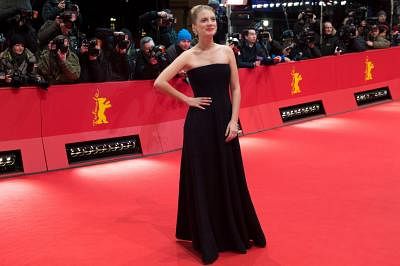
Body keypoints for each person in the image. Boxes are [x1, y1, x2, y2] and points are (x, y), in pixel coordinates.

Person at [154, 5, 266, 265]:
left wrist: (234, 121)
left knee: (228, 174)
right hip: (200, 125)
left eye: (213, 19)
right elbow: (159, 81)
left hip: (226, 122)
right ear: (194, 27)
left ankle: (231, 231)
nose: (210, 23)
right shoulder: (188, 56)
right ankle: (207, 236)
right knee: (205, 178)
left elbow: (236, 89)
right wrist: (187, 100)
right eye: (204, 20)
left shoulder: (227, 51)